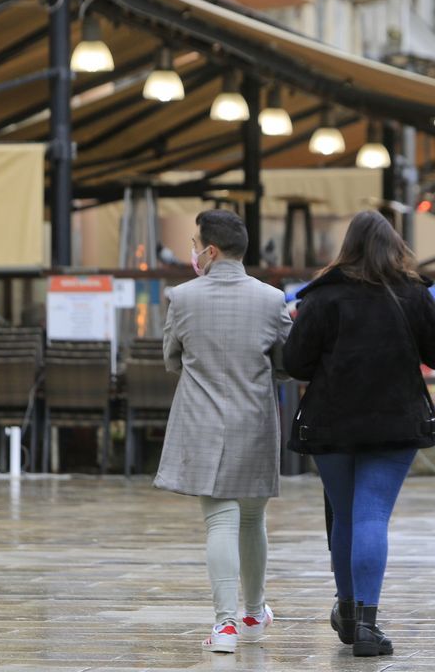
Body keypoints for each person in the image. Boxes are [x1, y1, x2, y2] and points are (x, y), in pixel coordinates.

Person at [283, 211, 435, 657]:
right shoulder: (412, 294)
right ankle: (366, 624)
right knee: (371, 517)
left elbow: (296, 364)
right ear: (394, 246)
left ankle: (346, 610)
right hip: (394, 423)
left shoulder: (322, 296)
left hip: (331, 423)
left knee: (346, 516)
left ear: (348, 246)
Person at [154, 209, 292, 654]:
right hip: (254, 421)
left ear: (210, 251)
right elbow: (287, 365)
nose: (192, 252)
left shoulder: (182, 298)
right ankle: (253, 614)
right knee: (253, 518)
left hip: (203, 421)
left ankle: (225, 626)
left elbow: (172, 358)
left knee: (219, 519)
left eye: (195, 244)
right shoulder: (272, 299)